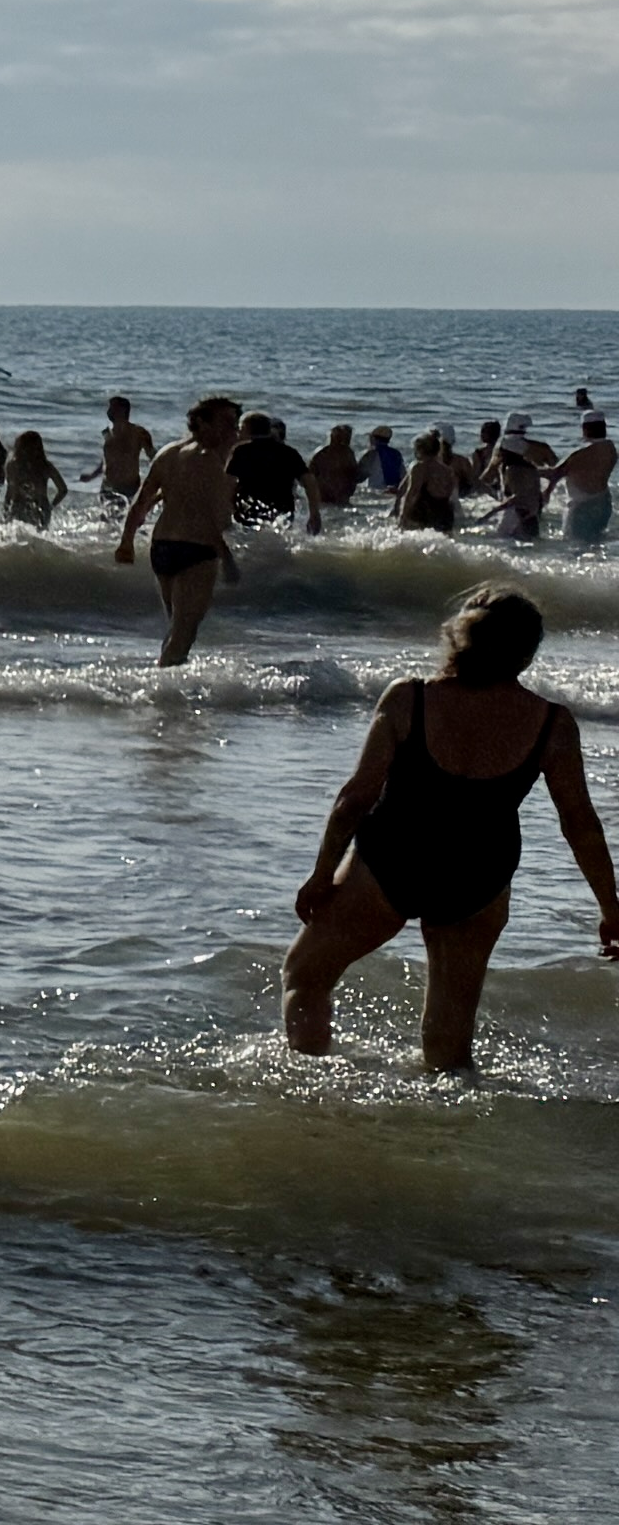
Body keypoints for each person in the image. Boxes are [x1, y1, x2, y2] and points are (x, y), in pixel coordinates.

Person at [282, 586, 617, 1073]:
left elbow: (355, 798)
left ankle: (310, 1098)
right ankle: (447, 1133)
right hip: (477, 876)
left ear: (458, 638)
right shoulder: (552, 723)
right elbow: (580, 824)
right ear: (526, 654)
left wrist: (321, 874)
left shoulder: (408, 698)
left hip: (391, 862)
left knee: (306, 977)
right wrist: (610, 907)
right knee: (449, 1037)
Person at [114, 393, 242, 669]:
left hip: (162, 546)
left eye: (236, 422)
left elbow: (142, 500)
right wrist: (226, 556)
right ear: (202, 424)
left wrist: (126, 541)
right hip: (196, 548)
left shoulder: (168, 452)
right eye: (227, 422)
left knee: (177, 629)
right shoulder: (209, 459)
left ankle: (168, 688)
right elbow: (204, 513)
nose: (235, 429)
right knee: (184, 634)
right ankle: (162, 695)